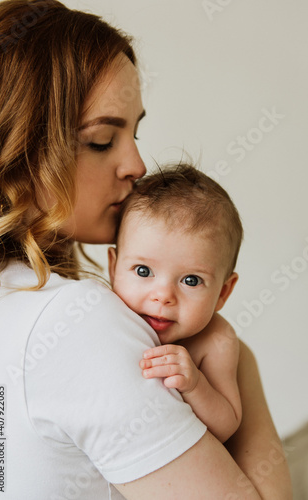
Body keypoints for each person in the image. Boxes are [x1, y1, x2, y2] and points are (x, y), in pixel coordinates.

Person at [0, 1, 292, 499]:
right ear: (19, 150)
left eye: (135, 132)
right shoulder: (75, 320)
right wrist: (234, 355)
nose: (136, 164)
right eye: (103, 140)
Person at [108, 164, 243, 443]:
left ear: (223, 293)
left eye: (191, 280)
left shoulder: (216, 341)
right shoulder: (103, 311)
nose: (163, 296)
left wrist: (195, 385)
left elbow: (227, 424)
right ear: (113, 268)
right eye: (143, 271)